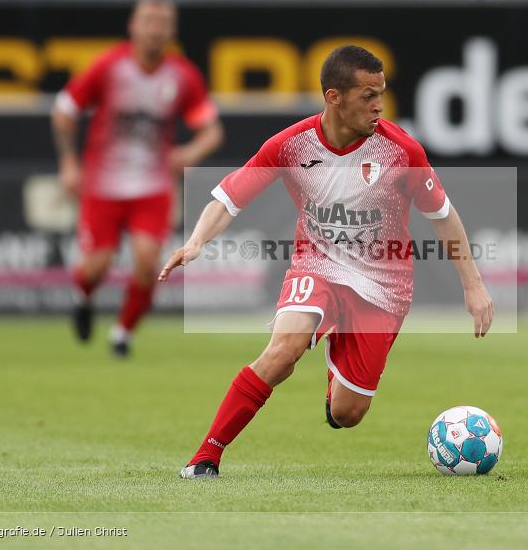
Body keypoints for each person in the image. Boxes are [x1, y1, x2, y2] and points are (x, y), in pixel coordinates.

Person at [159, 45, 494, 478]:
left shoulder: (401, 152)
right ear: (334, 97)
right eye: (367, 96)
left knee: (348, 413)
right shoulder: (290, 145)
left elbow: (444, 218)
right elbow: (229, 197)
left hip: (383, 286)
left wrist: (473, 285)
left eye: (382, 94)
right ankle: (206, 457)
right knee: (283, 351)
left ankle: (335, 380)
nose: (379, 106)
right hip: (316, 265)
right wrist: (196, 241)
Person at [51, 0, 223, 358]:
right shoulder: (109, 67)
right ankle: (81, 296)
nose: (155, 29)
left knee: (148, 262)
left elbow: (212, 130)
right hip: (103, 184)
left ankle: (122, 334)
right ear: (133, 26)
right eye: (148, 21)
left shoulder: (182, 75)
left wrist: (190, 153)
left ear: (171, 31)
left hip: (152, 186)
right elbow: (65, 111)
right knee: (97, 263)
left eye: (162, 23)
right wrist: (68, 162)